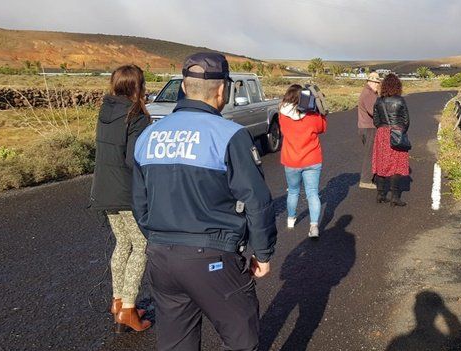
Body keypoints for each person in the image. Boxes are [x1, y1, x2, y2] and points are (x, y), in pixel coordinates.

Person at [132, 52, 277, 350]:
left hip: (162, 259)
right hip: (213, 257)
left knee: (176, 344)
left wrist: (160, 238)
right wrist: (262, 253)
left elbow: (139, 202)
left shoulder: (149, 135)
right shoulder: (230, 135)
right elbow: (257, 200)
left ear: (184, 87)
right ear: (222, 90)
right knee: (242, 339)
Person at [89, 64, 151, 333]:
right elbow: (134, 160)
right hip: (126, 192)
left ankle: (118, 301)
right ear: (137, 86)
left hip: (103, 190)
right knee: (142, 244)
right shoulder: (135, 115)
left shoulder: (105, 111)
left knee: (123, 243)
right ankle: (128, 308)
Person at [279, 84, 328, 238]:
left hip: (291, 160)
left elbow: (283, 131)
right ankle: (314, 227)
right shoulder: (313, 116)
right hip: (312, 159)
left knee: (293, 191)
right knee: (312, 193)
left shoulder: (282, 115)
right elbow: (322, 128)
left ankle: (291, 219)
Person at [372, 73, 410, 207]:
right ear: (397, 86)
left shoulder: (378, 101)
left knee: (381, 163)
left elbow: (376, 121)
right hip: (396, 132)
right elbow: (406, 121)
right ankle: (395, 197)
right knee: (397, 165)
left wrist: (383, 130)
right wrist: (400, 132)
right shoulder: (400, 100)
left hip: (381, 133)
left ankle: (380, 194)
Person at [357, 72, 382, 189]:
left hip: (365, 127)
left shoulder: (369, 93)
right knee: (370, 154)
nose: (378, 85)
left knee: (371, 153)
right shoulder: (368, 94)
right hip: (369, 128)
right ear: (371, 82)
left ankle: (371, 177)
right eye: (377, 83)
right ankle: (366, 180)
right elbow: (374, 111)